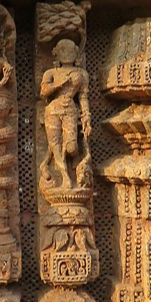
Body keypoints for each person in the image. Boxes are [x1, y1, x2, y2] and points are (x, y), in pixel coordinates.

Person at [40, 39, 91, 189]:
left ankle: (47, 164)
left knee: (71, 147)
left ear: (76, 54)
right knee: (55, 145)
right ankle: (65, 178)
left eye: (70, 51)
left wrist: (87, 115)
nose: (67, 54)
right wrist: (59, 84)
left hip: (70, 109)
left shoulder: (81, 74)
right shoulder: (50, 73)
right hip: (53, 110)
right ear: (56, 54)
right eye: (63, 51)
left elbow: (82, 96)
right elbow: (43, 92)